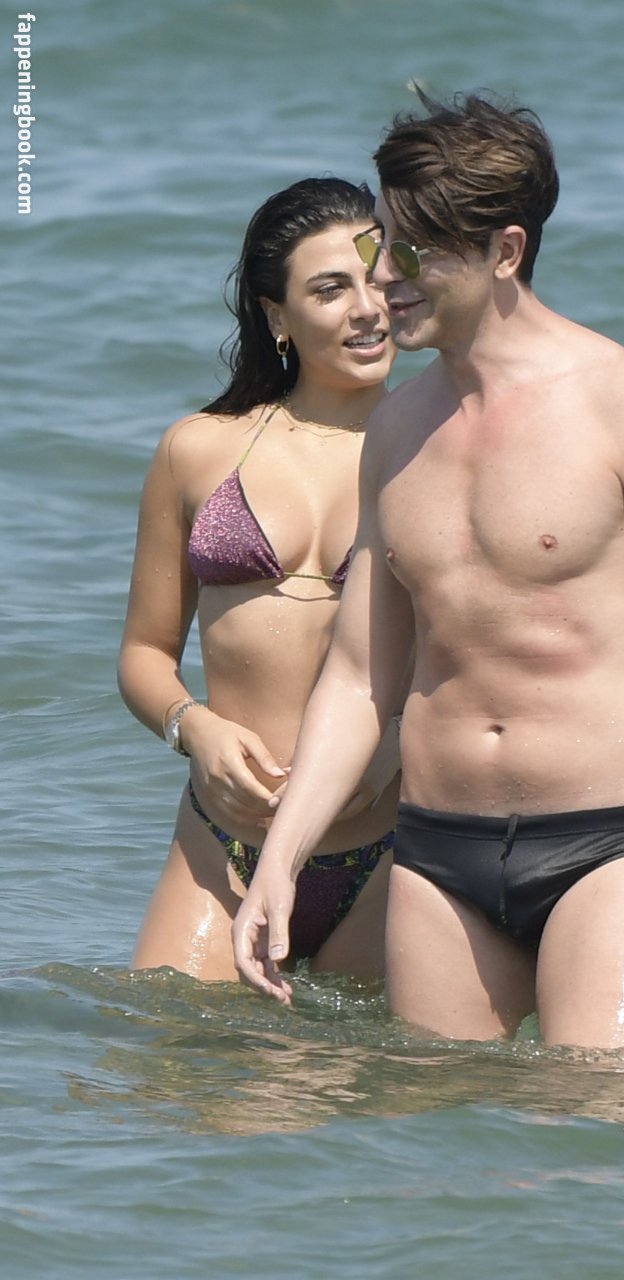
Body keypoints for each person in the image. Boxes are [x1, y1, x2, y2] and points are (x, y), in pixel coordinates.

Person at [232, 92, 624, 1050]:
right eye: (379, 243)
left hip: (611, 838)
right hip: (438, 854)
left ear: (505, 251)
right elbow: (358, 676)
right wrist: (282, 856)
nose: (382, 278)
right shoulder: (399, 430)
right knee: (437, 1126)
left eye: (413, 252)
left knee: (605, 1113)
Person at [118, 177, 402, 984]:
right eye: (330, 289)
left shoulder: (437, 450)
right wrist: (194, 729)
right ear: (278, 316)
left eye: (377, 280)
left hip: (386, 851)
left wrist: (396, 745)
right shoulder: (199, 449)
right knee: (170, 1053)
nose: (367, 309)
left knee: (359, 1067)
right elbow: (143, 653)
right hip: (221, 846)